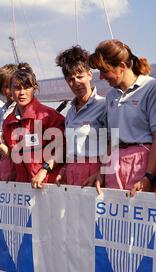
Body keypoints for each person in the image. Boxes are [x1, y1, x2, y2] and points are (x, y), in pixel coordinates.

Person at [87, 39, 156, 194]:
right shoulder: (111, 96)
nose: (102, 77)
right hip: (115, 166)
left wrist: (149, 177)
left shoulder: (152, 88)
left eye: (104, 71)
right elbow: (112, 139)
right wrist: (102, 173)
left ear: (122, 67)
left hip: (142, 164)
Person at [2, 63, 65, 188]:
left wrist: (44, 170)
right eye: (17, 88)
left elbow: (63, 150)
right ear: (10, 90)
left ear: (35, 88)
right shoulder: (8, 122)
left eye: (26, 87)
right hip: (24, 188)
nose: (22, 92)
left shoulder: (50, 117)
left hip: (48, 185)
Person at [54, 45, 107, 186]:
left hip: (95, 173)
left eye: (80, 76)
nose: (76, 82)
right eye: (71, 79)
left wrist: (102, 173)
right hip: (72, 172)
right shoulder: (70, 111)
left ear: (90, 74)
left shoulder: (104, 105)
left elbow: (112, 144)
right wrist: (65, 168)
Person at [0, 64, 18, 182]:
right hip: (5, 163)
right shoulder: (3, 110)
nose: (9, 90)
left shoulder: (21, 110)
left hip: (18, 164)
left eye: (13, 86)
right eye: (6, 86)